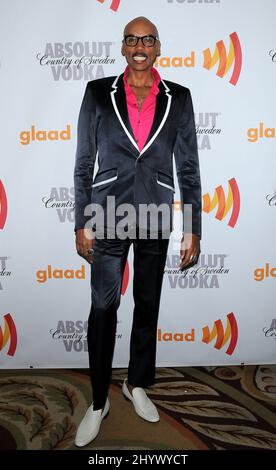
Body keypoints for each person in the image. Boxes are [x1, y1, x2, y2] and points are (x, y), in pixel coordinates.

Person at [73, 16, 201, 446]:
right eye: (132, 39)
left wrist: (192, 228)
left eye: (148, 39)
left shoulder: (178, 98)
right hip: (107, 214)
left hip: (155, 213)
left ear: (158, 46)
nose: (140, 46)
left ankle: (137, 384)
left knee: (147, 304)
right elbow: (82, 164)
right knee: (102, 309)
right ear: (123, 47)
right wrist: (81, 221)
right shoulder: (97, 93)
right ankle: (97, 400)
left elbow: (188, 169)